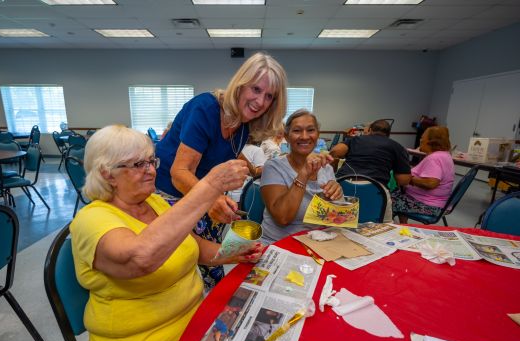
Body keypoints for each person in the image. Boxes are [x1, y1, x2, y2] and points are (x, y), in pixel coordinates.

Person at [70, 125, 263, 341]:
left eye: (152, 161)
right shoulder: (91, 218)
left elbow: (194, 247)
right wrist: (210, 186)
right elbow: (141, 258)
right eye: (139, 164)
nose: (151, 171)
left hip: (195, 326)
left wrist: (237, 253)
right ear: (108, 174)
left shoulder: (155, 202)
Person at [155, 52, 287, 289]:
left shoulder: (243, 125)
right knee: (186, 266)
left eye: (269, 96)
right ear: (240, 85)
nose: (260, 102)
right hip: (168, 193)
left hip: (200, 193)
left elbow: (227, 152)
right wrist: (212, 198)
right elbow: (180, 172)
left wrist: (252, 170)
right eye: (256, 90)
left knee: (215, 266)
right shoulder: (205, 108)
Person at [260, 109, 343, 243]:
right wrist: (304, 173)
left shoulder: (326, 168)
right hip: (279, 244)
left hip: (316, 242)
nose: (304, 136)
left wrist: (334, 196)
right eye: (297, 131)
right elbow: (283, 218)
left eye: (310, 130)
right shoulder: (273, 167)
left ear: (317, 135)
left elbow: (334, 218)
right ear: (286, 136)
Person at [391, 126, 455, 224]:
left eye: (422, 137)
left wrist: (409, 179)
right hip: (439, 203)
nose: (420, 140)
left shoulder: (434, 158)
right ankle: (403, 225)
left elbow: (431, 183)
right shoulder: (445, 155)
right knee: (396, 195)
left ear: (432, 141)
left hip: (430, 205)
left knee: (387, 200)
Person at [330, 119, 411, 188]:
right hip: (376, 188)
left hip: (344, 183)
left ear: (370, 130)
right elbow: (403, 180)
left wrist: (334, 170)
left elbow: (335, 151)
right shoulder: (398, 147)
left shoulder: (356, 139)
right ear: (389, 134)